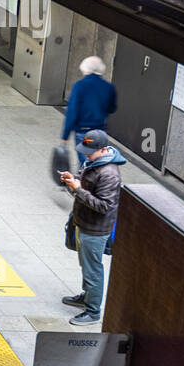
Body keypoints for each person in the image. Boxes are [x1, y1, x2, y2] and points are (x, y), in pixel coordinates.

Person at [59, 130, 126, 325]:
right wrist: (73, 179)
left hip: (95, 230)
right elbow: (83, 180)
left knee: (93, 270)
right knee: (86, 265)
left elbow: (104, 206)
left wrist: (77, 189)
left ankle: (93, 311)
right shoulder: (93, 162)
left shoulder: (109, 174)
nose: (86, 154)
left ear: (103, 149)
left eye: (90, 151)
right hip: (83, 222)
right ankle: (86, 297)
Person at [61, 56, 118, 147]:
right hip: (100, 131)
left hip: (83, 130)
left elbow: (72, 112)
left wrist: (65, 135)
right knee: (96, 159)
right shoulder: (109, 87)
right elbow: (112, 108)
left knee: (86, 160)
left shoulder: (80, 86)